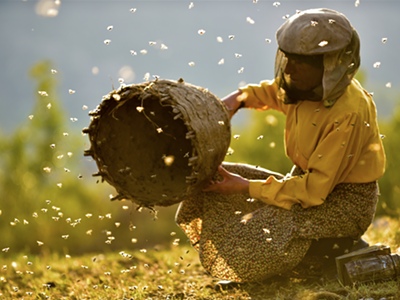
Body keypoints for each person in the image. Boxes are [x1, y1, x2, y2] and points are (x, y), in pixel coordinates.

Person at [175, 8, 386, 286]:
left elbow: (313, 191)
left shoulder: (348, 113)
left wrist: (244, 187)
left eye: (299, 62)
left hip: (344, 205)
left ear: (330, 63)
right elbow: (272, 92)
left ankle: (335, 252)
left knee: (261, 226)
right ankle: (315, 255)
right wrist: (237, 100)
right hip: (305, 187)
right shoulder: (305, 87)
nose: (288, 69)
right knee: (217, 182)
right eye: (288, 58)